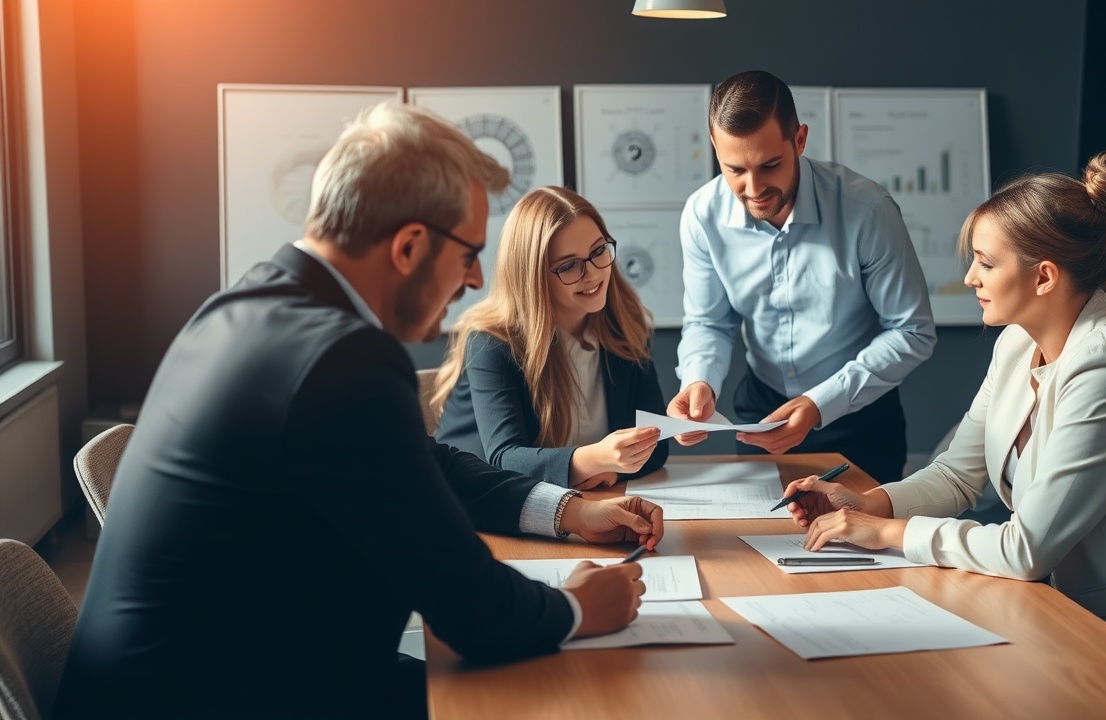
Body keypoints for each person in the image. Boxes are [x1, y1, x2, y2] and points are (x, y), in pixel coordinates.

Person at [55, 102, 665, 720]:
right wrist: (580, 607)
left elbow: (428, 468)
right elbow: (472, 609)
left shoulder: (250, 305)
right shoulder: (343, 359)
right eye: (467, 255)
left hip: (215, 673)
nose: (477, 280)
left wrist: (568, 511)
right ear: (408, 247)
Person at [781, 151, 1106, 688]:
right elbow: (958, 473)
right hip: (1075, 622)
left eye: (986, 261)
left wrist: (885, 531)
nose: (971, 276)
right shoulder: (1017, 344)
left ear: (1044, 276)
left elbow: (1024, 550)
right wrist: (867, 503)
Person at [668, 69, 936, 485]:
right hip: (760, 414)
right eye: (734, 169)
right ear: (715, 149)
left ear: (800, 140)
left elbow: (913, 331)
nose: (753, 187)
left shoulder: (867, 210)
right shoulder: (702, 215)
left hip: (857, 418)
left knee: (861, 548)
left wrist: (821, 403)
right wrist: (699, 380)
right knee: (763, 546)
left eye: (769, 165)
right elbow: (709, 322)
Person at [433, 186, 668, 489]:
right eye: (569, 266)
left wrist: (613, 471)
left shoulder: (626, 328)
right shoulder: (492, 342)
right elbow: (504, 457)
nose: (594, 273)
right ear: (532, 277)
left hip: (567, 503)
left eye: (598, 251)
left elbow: (657, 444)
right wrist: (594, 461)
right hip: (475, 505)